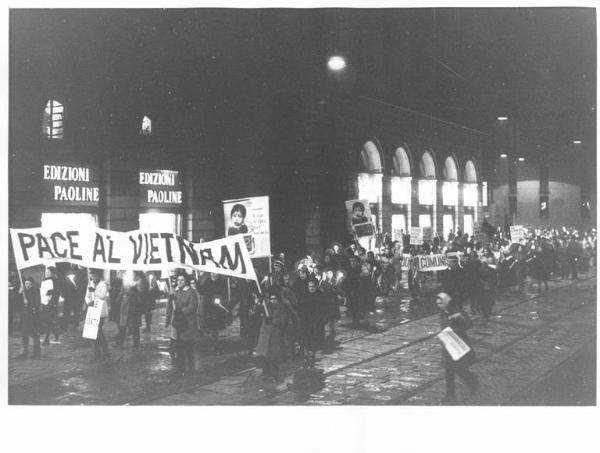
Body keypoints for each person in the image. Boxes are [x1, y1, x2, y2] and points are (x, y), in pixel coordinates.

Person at [436, 292, 479, 404]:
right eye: (437, 301)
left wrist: (457, 318)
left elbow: (469, 324)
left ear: (446, 301)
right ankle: (451, 395)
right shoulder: (443, 311)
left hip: (457, 343)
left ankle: (472, 381)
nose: (438, 303)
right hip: (448, 343)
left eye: (441, 301)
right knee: (449, 370)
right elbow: (445, 325)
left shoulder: (456, 310)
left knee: (458, 369)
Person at [253, 287, 291, 380]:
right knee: (265, 355)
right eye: (271, 299)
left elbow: (284, 319)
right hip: (266, 334)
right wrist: (258, 303)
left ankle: (274, 374)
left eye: (274, 299)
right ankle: (267, 372)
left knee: (274, 356)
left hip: (275, 335)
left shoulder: (282, 306)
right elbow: (256, 311)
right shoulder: (266, 306)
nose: (272, 301)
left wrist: (273, 321)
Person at [166, 273, 199, 376]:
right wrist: (168, 319)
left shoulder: (191, 292)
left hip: (188, 323)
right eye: (178, 280)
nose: (179, 282)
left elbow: (193, 306)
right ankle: (181, 369)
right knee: (178, 348)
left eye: (182, 280)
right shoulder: (174, 291)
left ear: (186, 281)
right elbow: (170, 307)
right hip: (178, 324)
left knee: (188, 347)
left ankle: (191, 368)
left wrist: (181, 311)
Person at [297, 278, 328, 368]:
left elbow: (325, 309)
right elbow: (300, 308)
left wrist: (323, 320)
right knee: (306, 341)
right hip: (306, 323)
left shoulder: (321, 296)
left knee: (314, 342)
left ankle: (312, 356)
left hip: (317, 323)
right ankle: (307, 356)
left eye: (313, 286)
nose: (311, 288)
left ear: (316, 287)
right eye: (309, 286)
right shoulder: (304, 295)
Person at [86, 269, 110, 362]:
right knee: (95, 332)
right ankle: (105, 350)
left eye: (94, 276)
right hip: (92, 309)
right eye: (91, 276)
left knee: (97, 332)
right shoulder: (90, 284)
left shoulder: (103, 284)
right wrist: (89, 302)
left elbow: (103, 295)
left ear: (98, 276)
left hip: (101, 311)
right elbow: (87, 296)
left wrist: (94, 290)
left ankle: (98, 355)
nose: (92, 278)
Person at [114, 271, 143, 348]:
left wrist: (134, 285)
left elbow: (140, 291)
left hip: (134, 304)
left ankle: (136, 343)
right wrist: (118, 299)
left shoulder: (138, 280)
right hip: (125, 303)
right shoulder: (124, 280)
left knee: (135, 325)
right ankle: (119, 342)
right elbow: (122, 290)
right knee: (122, 324)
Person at [16, 277, 42, 360]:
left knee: (35, 335)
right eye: (26, 284)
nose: (27, 285)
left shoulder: (36, 291)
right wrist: (19, 293)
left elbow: (37, 302)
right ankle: (23, 353)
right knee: (24, 335)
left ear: (32, 284)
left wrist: (28, 302)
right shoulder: (23, 291)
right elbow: (16, 303)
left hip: (33, 317)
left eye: (29, 284)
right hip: (25, 317)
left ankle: (36, 353)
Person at [40, 266, 61, 345]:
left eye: (48, 272)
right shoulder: (44, 281)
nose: (46, 273)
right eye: (46, 272)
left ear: (52, 273)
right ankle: (56, 332)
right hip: (44, 302)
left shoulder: (55, 281)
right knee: (47, 320)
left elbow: (57, 291)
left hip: (51, 304)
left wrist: (52, 292)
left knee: (48, 320)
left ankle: (47, 339)